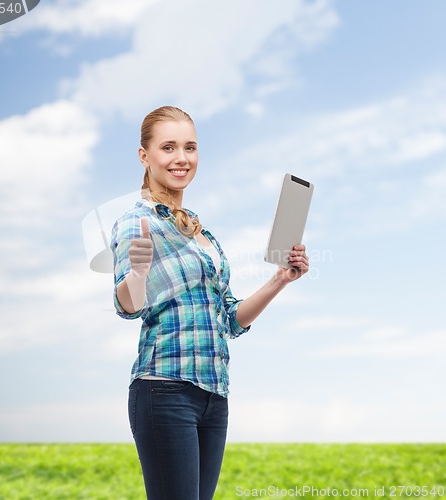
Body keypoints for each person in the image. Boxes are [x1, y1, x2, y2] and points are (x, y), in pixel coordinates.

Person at [110, 106, 309, 500]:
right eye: (168, 147)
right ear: (144, 156)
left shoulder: (203, 233)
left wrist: (280, 280)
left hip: (213, 396)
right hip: (165, 390)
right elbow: (128, 305)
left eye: (190, 147)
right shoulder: (138, 222)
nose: (181, 158)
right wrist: (136, 273)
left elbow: (230, 319)